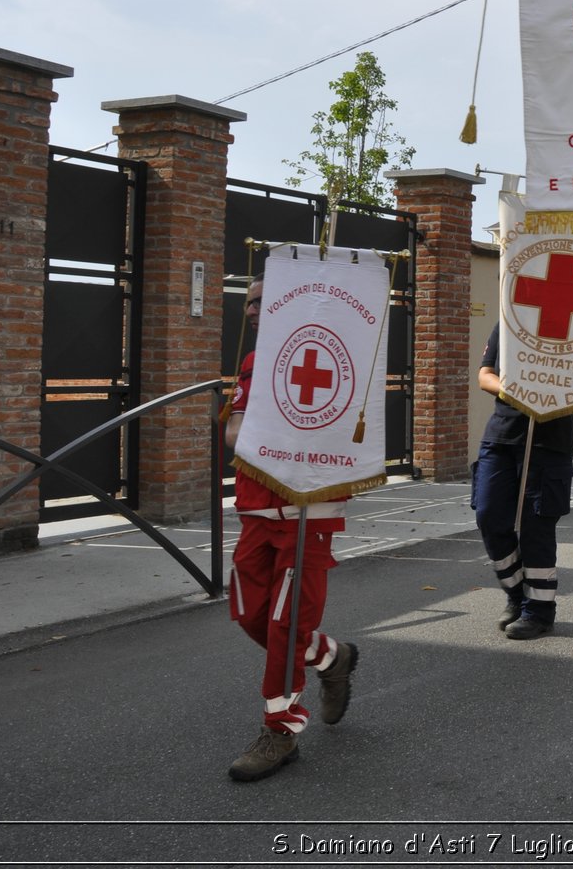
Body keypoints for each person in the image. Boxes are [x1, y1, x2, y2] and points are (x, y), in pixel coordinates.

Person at [223, 277, 359, 782]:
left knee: (284, 623)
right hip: (258, 507)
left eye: (261, 301)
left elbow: (342, 428)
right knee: (249, 613)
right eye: (249, 303)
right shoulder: (255, 363)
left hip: (309, 509)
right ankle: (331, 655)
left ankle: (280, 731)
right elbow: (235, 433)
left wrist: (277, 433)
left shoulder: (331, 353)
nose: (252, 311)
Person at [474, 328, 573, 640]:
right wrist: (516, 392)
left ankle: (539, 611)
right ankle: (517, 594)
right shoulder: (509, 321)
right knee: (489, 516)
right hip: (502, 436)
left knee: (536, 528)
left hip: (550, 441)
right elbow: (485, 376)